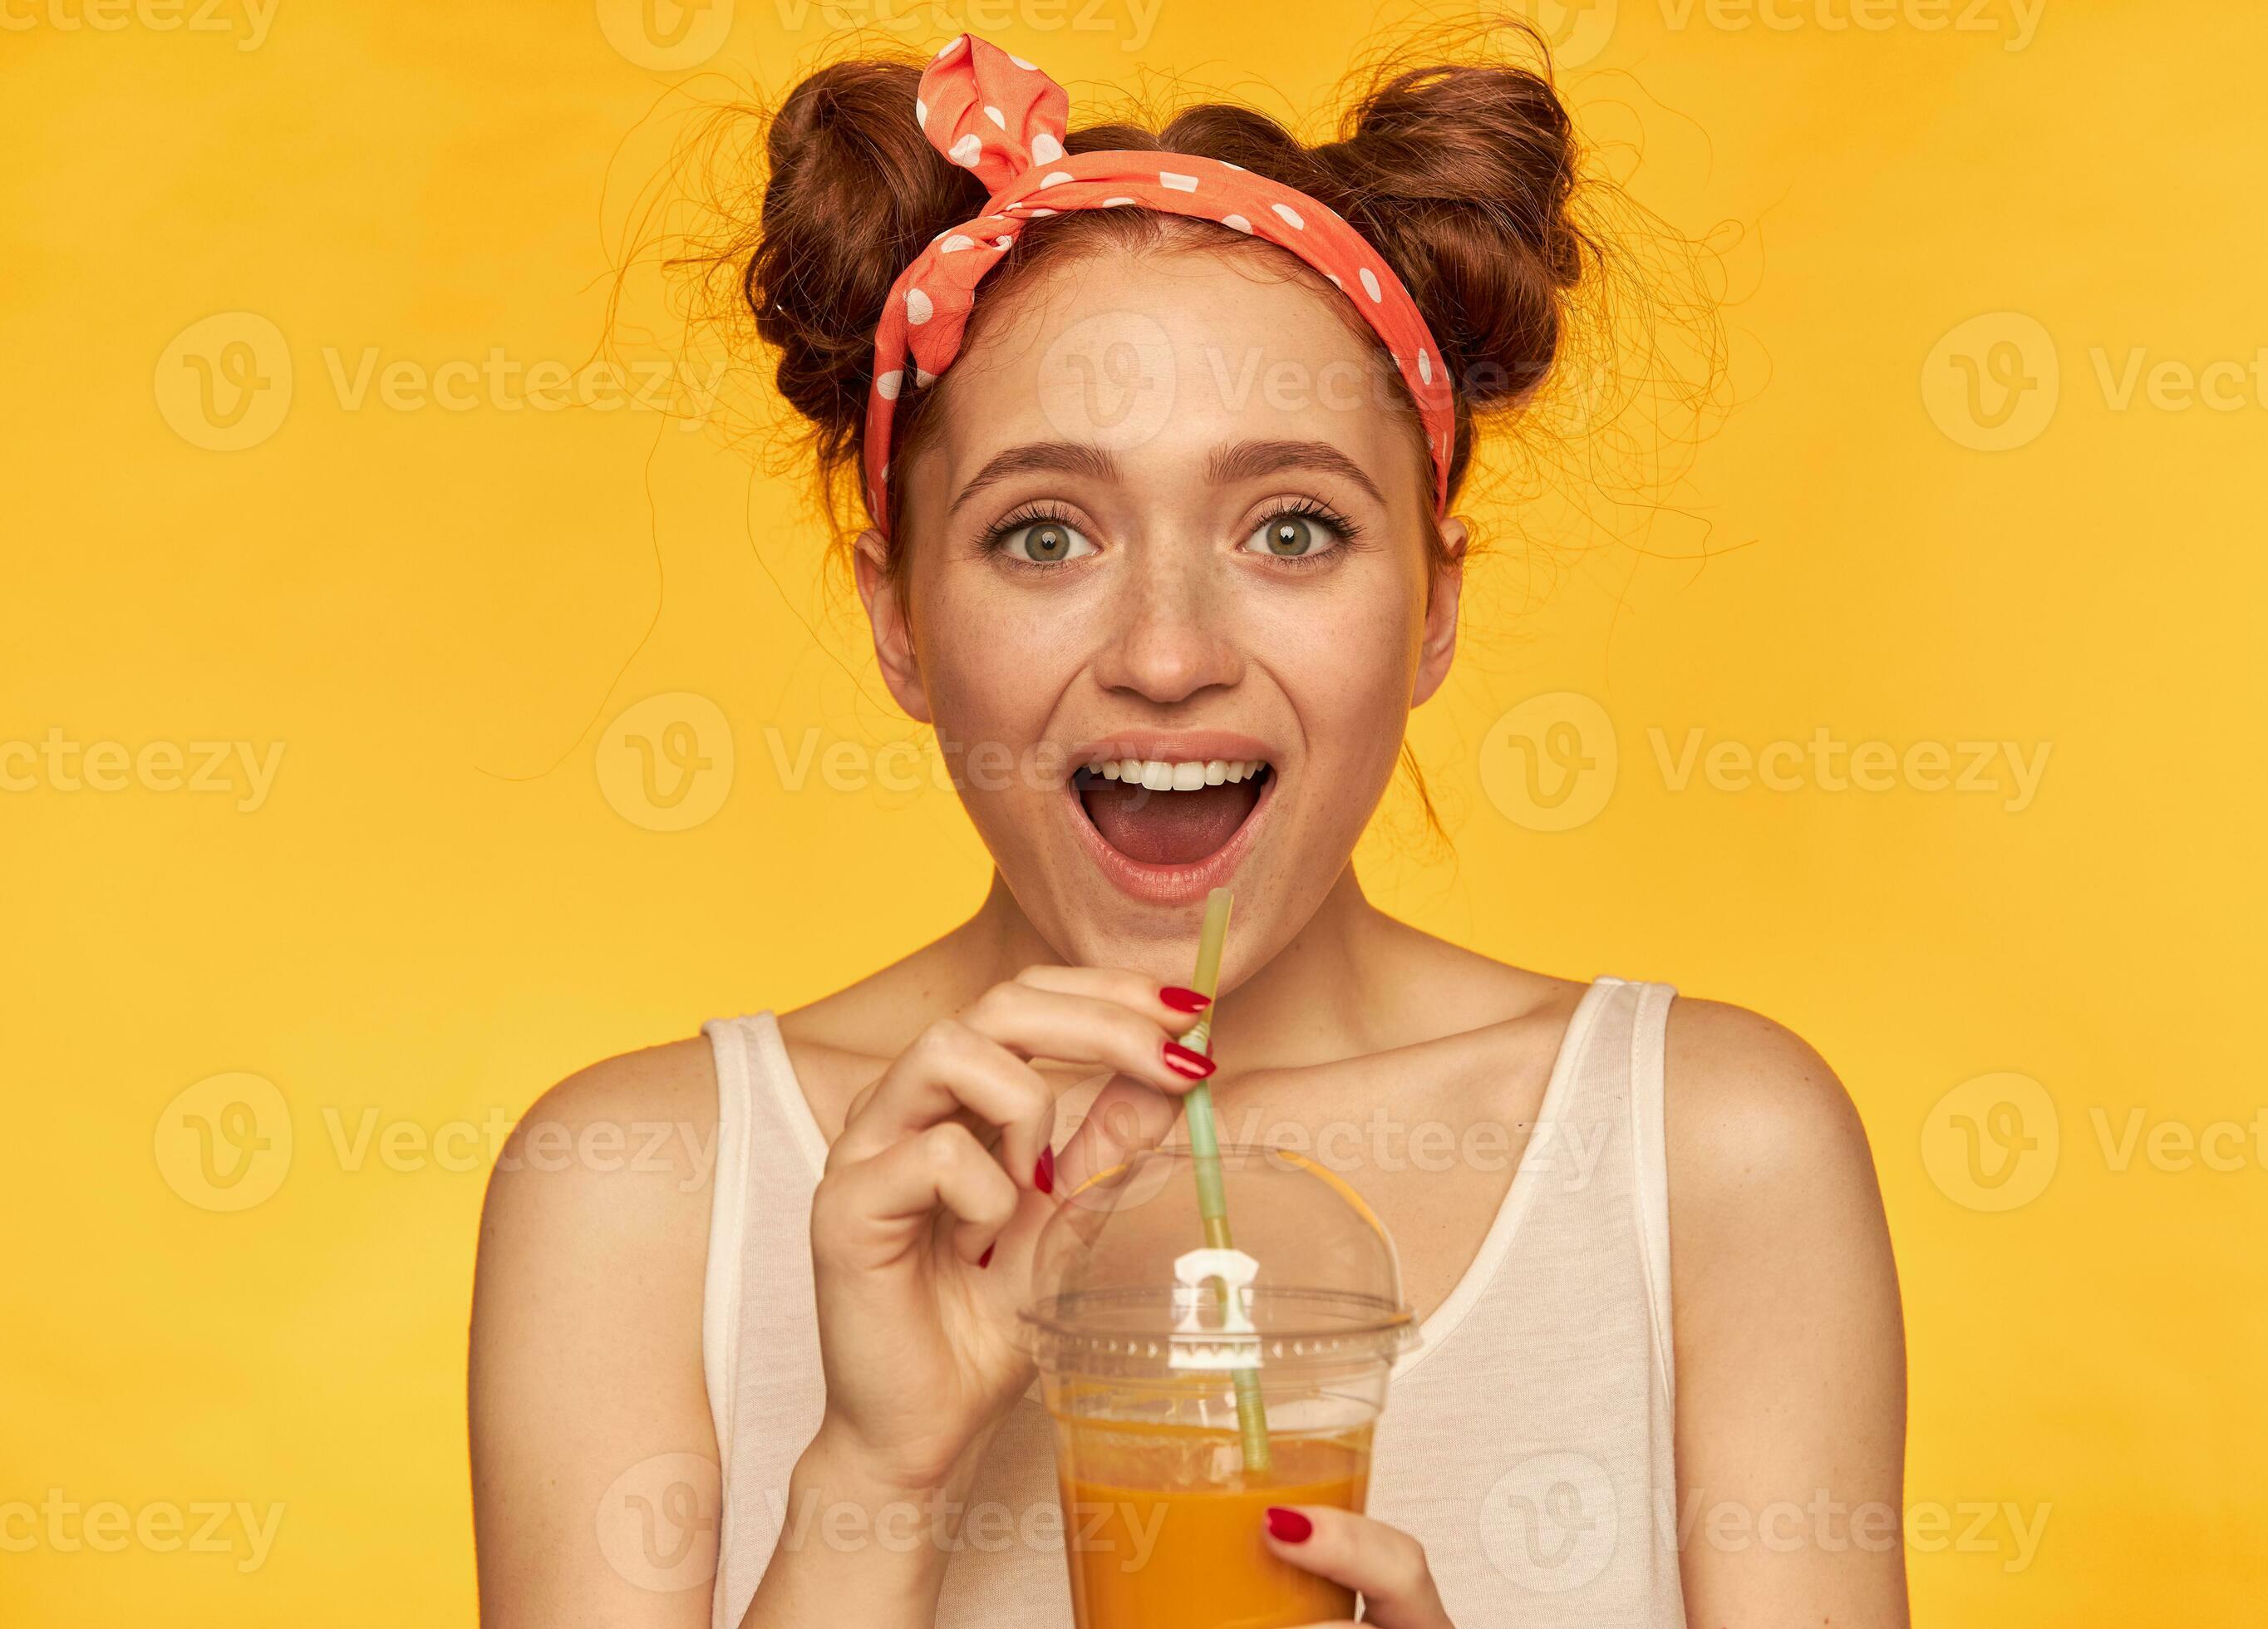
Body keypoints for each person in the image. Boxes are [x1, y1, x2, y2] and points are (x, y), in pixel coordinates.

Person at [470, 29, 1906, 1628]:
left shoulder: (1709, 1157)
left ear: (1433, 606)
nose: (1167, 655)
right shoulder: (644, 1193)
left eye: (1292, 529)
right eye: (1042, 533)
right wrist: (873, 1478)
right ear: (900, 623)